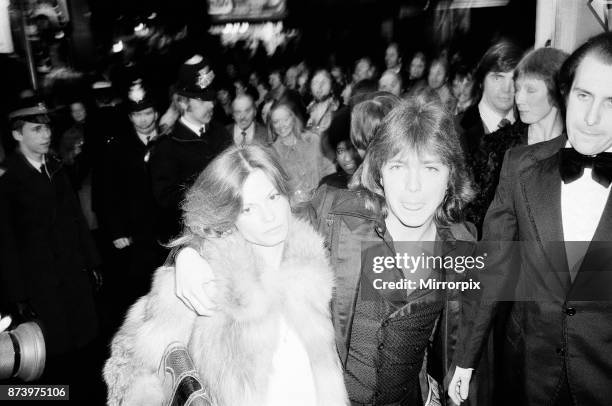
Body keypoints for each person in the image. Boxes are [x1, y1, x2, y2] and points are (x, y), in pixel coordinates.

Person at [173, 97, 477, 405]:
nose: (414, 187)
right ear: (379, 171)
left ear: (451, 176)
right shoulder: (336, 214)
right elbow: (247, 219)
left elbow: (479, 324)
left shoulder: (463, 245)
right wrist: (188, 253)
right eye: (398, 166)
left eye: (430, 168)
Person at [104, 145, 349, 406]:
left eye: (273, 197)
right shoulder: (206, 279)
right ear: (227, 216)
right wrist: (186, 254)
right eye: (248, 209)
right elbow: (131, 367)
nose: (269, 216)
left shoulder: (316, 261)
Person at [449, 32, 612, 406]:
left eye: (611, 102)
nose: (591, 118)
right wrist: (464, 359)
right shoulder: (520, 165)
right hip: (527, 375)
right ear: (566, 93)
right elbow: (493, 267)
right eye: (584, 96)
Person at [0, 102, 100, 393]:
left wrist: (92, 262)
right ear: (18, 135)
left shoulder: (56, 168)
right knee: (54, 357)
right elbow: (6, 243)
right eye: (37, 129)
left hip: (72, 274)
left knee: (86, 348)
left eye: (47, 128)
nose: (46, 135)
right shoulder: (9, 182)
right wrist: (17, 295)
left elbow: (77, 221)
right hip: (40, 284)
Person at [467, 47, 568, 231]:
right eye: (518, 88)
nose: (519, 98)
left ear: (556, 93)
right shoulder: (496, 147)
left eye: (530, 90)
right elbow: (474, 221)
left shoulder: (579, 151)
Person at [149, 55, 231, 242]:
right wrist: (205, 190)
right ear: (183, 102)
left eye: (211, 99)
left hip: (226, 229)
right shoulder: (167, 145)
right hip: (191, 237)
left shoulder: (220, 132)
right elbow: (165, 198)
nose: (211, 105)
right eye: (203, 101)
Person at [100, 78, 166, 311]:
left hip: (168, 230)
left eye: (147, 113)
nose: (143, 119)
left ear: (156, 113)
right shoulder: (118, 148)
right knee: (141, 296)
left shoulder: (169, 141)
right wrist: (117, 229)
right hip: (136, 234)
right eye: (137, 115)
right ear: (130, 118)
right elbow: (109, 192)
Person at [459, 41, 523, 162]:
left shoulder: (532, 132)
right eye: (498, 78)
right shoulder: (454, 130)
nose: (506, 88)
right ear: (481, 81)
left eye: (514, 79)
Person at [269, 102, 335, 204]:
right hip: (298, 210)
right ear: (272, 126)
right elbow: (276, 188)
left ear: (293, 119)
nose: (281, 125)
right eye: (276, 122)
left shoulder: (312, 140)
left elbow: (327, 168)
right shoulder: (272, 154)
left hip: (324, 201)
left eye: (286, 119)